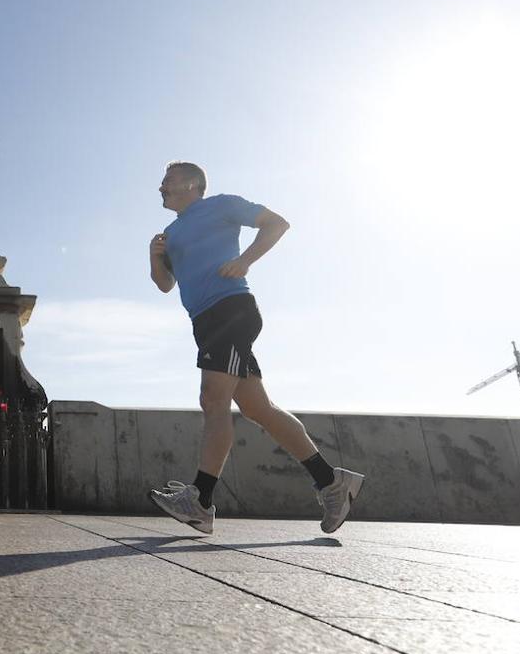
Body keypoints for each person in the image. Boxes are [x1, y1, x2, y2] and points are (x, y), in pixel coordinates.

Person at [146, 161, 364, 534]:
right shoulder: (170, 232)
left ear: (191, 184)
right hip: (206, 321)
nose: (160, 188)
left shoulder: (221, 205)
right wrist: (155, 256)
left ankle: (201, 499)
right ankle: (331, 482)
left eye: (167, 181)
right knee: (258, 408)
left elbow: (277, 223)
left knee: (213, 400)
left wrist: (244, 260)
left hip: (230, 310)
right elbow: (164, 284)